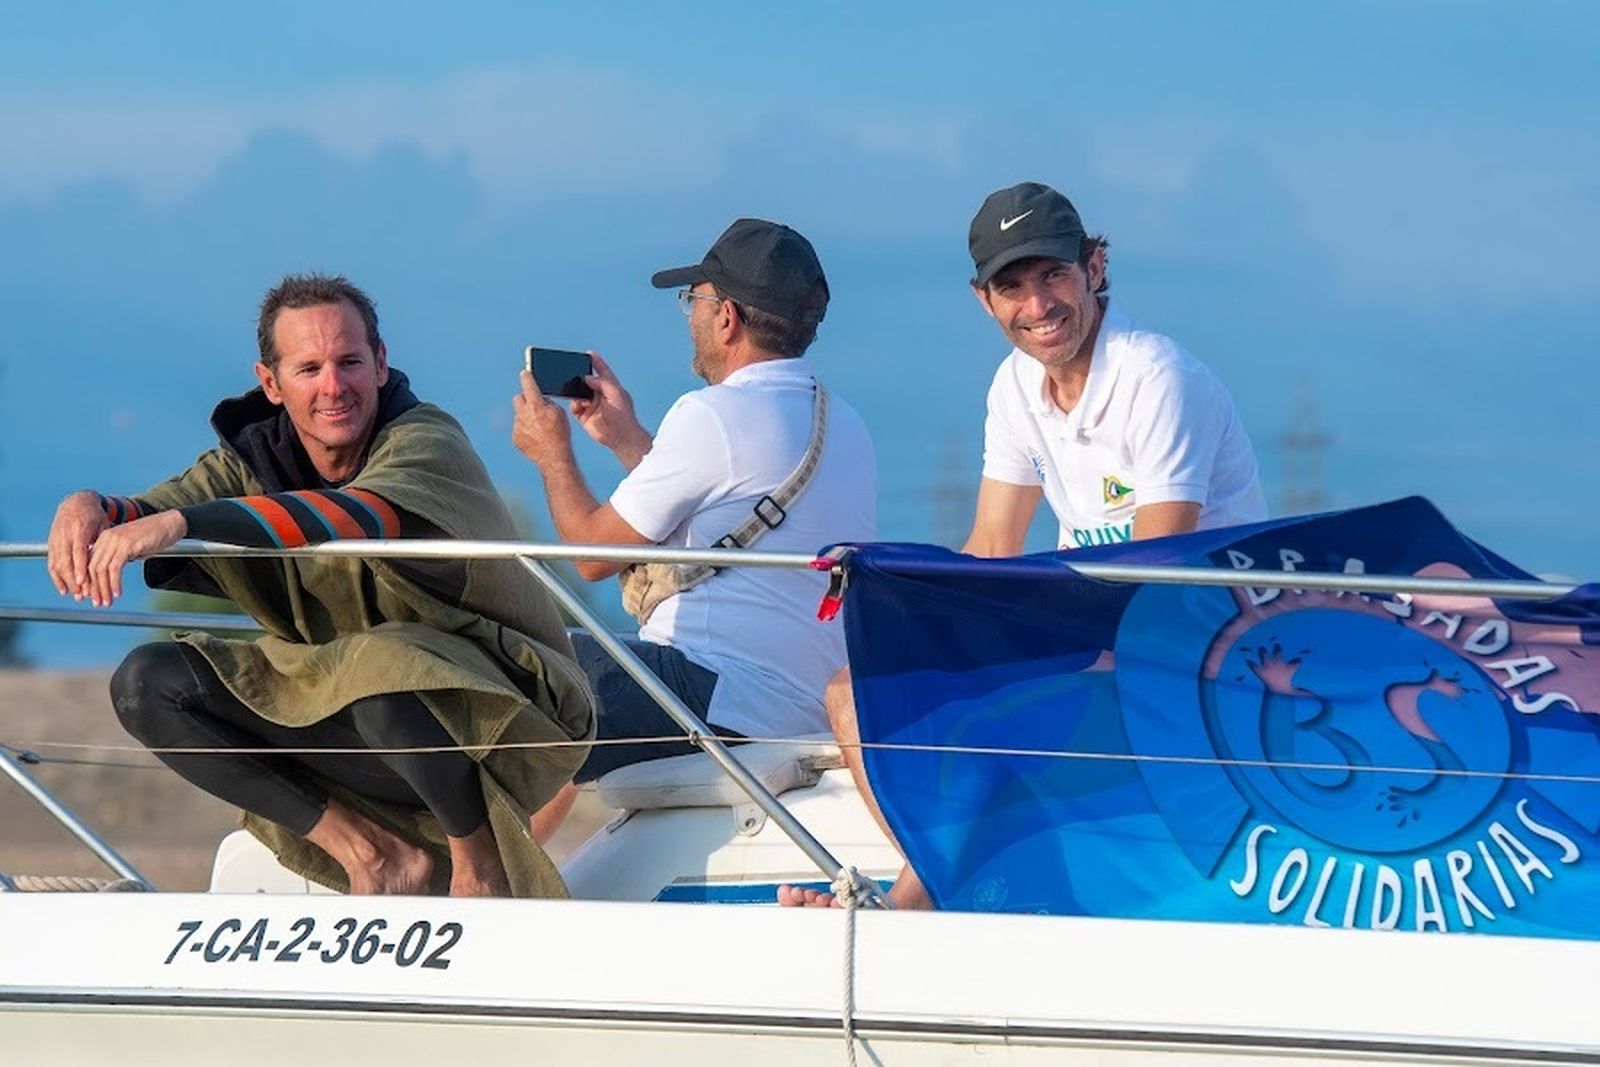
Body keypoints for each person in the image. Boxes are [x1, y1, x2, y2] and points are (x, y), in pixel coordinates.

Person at [782, 181, 1267, 909]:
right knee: (852, 693)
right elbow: (990, 548)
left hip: (1200, 646)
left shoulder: (1157, 377)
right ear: (984, 300)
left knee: (1002, 704)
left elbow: (1155, 573)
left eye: (1053, 275)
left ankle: (908, 912)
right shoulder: (1014, 385)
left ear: (1095, 267)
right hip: (1091, 636)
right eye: (1013, 286)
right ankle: (949, 895)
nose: (1037, 305)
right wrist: (891, 593)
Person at [46, 273, 593, 897]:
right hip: (366, 712)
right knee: (149, 682)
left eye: (350, 362)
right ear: (271, 383)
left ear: (382, 364)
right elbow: (143, 512)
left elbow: (350, 517)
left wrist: (184, 521)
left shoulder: (425, 439)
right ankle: (368, 853)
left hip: (514, 721)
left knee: (381, 669)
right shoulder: (249, 459)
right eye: (309, 369)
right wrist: (86, 504)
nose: (333, 386)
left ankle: (481, 865)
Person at [512, 218, 876, 840]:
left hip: (715, 694)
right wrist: (628, 440)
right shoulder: (843, 422)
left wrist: (554, 454)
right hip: (799, 704)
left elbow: (592, 556)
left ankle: (467, 885)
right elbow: (721, 512)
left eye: (695, 301)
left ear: (727, 316)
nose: (691, 317)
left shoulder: (711, 414)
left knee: (512, 659)